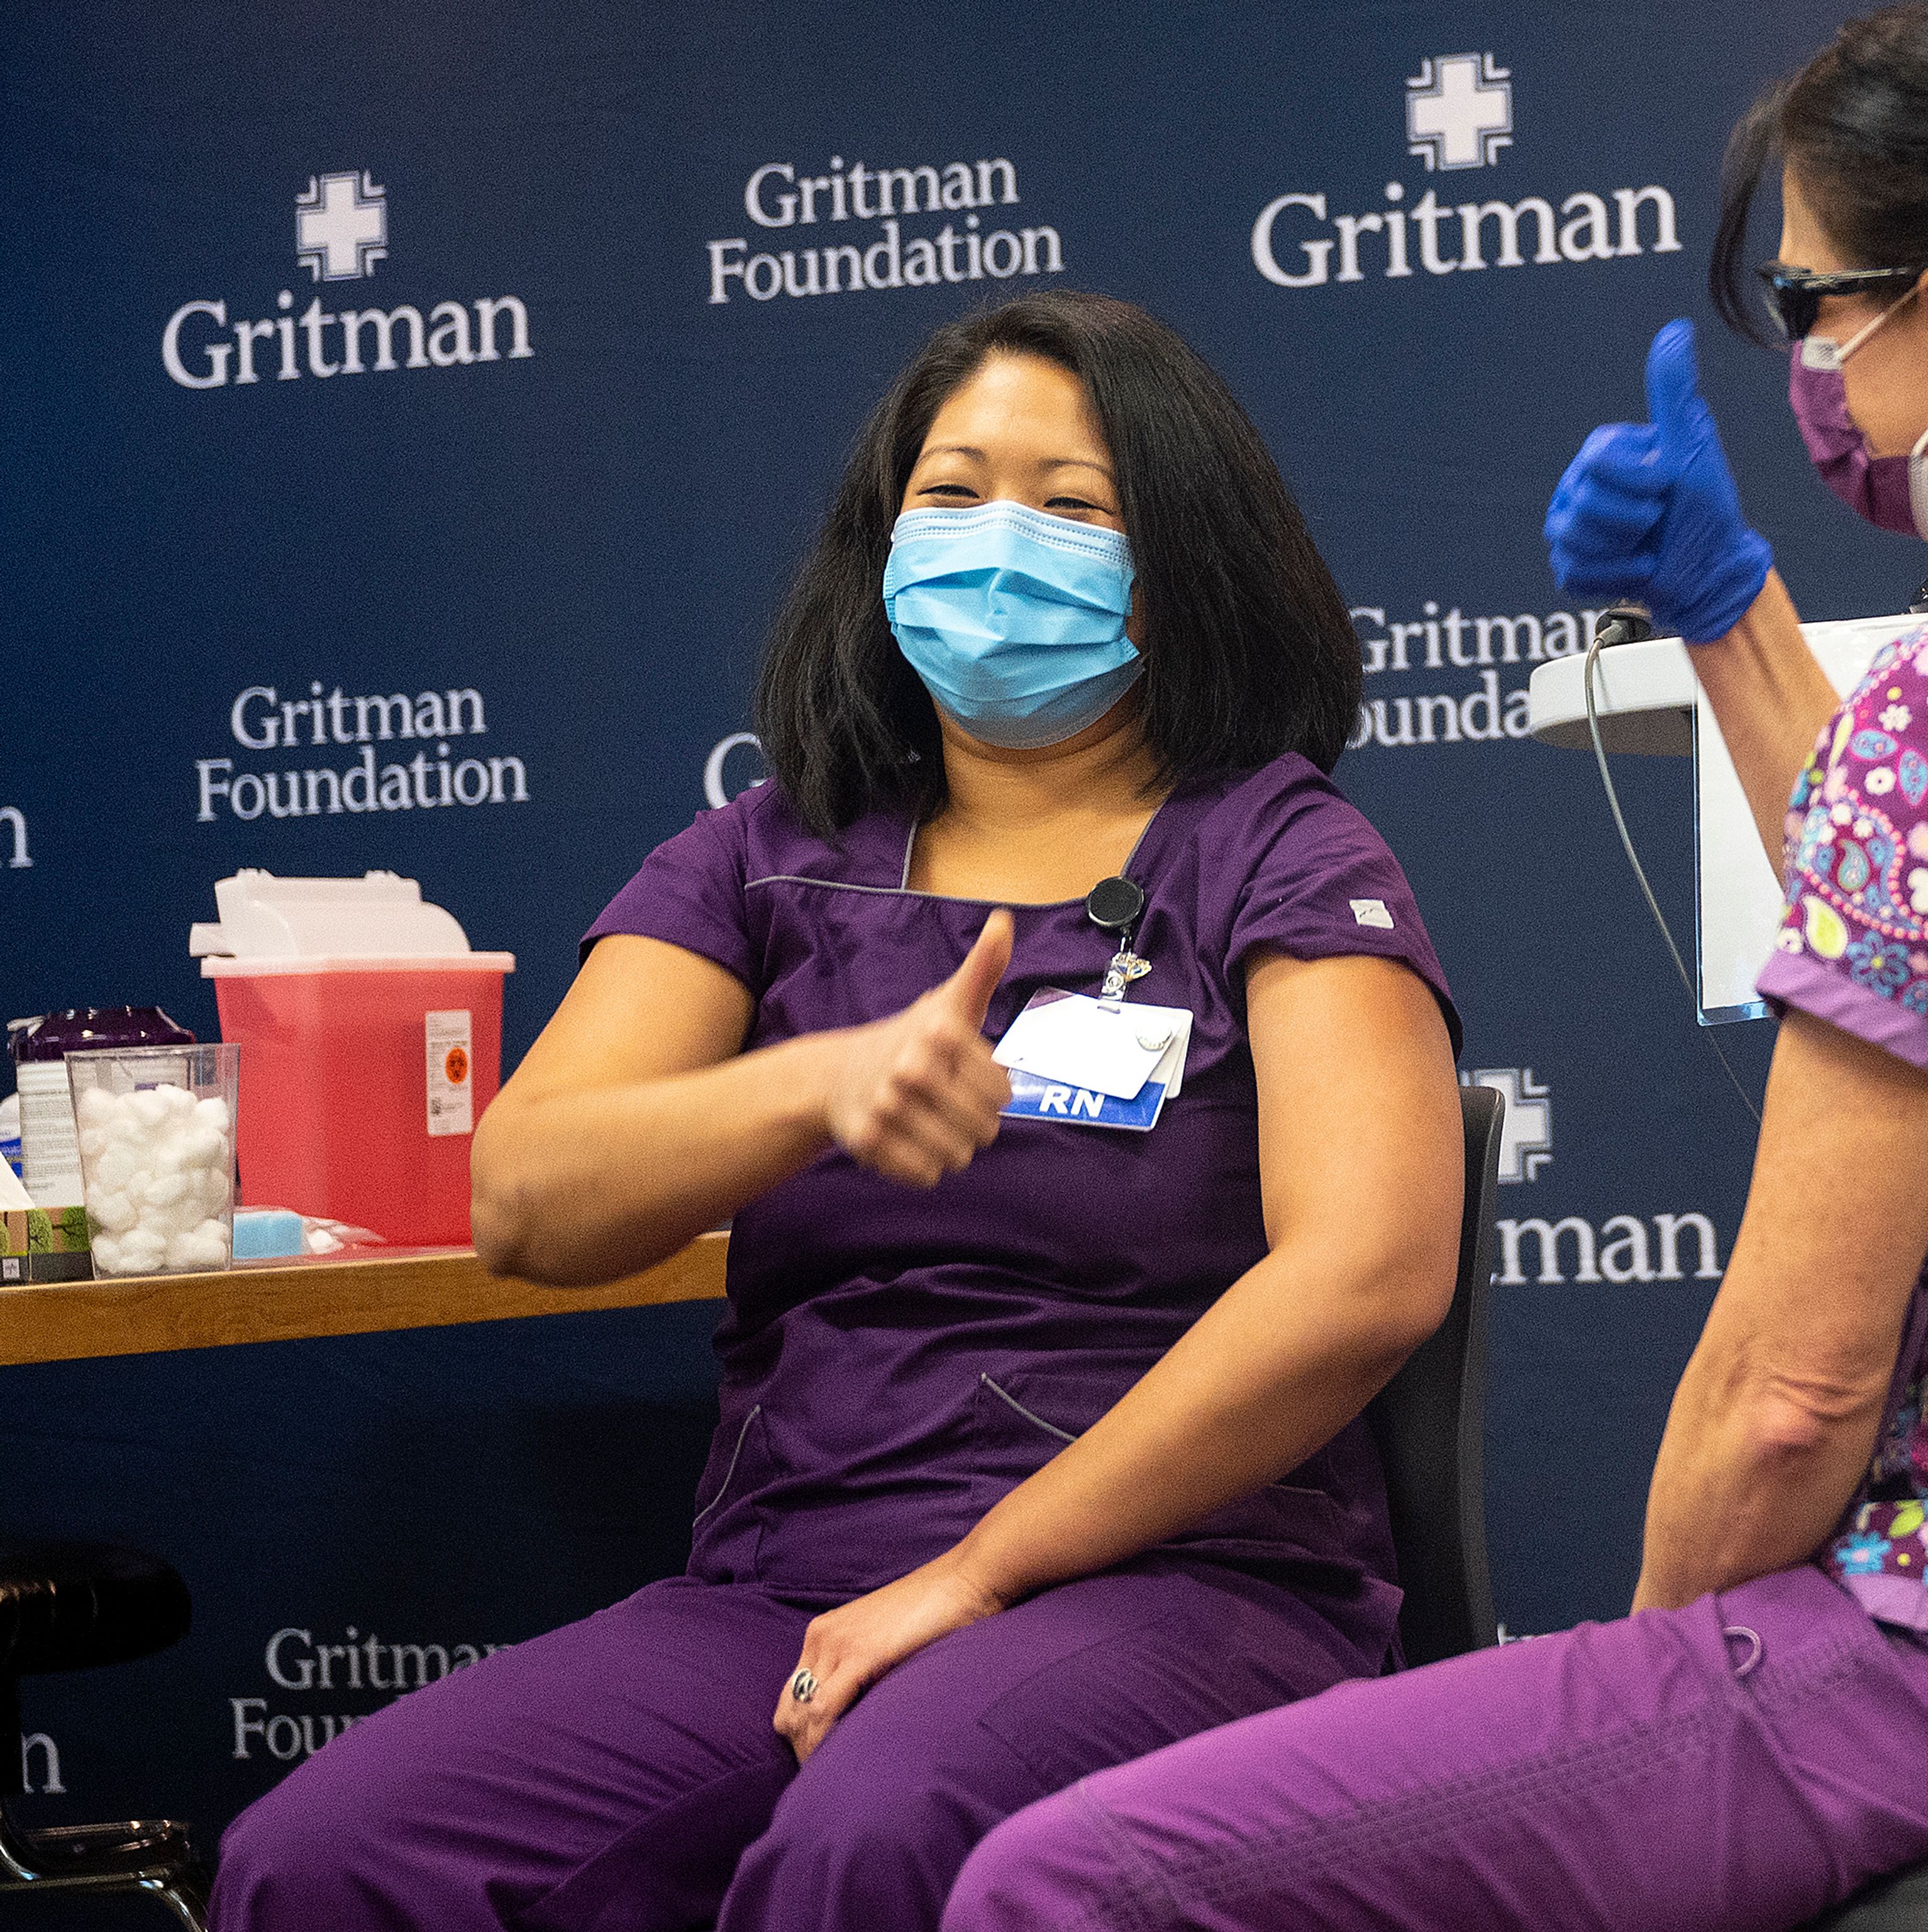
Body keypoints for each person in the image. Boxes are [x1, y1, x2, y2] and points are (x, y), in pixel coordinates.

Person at [941, 6, 1928, 1928]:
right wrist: (1732, 616)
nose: (1806, 368)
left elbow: (1791, 1394)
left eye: (1815, 308)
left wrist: (1630, 1722)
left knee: (1062, 1885)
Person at [208, 289, 1465, 1932]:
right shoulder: (761, 857)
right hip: (790, 1589)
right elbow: (524, 1200)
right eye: (950, 492)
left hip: (1177, 1584)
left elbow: (1366, 1271)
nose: (997, 540)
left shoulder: (1277, 853)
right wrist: (815, 1085)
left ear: (1181, 565)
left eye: (1073, 504)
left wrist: (981, 1572)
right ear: (880, 546)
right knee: (328, 1858)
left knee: (880, 1837)